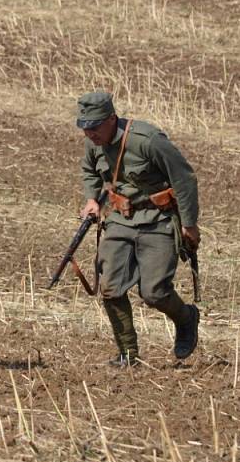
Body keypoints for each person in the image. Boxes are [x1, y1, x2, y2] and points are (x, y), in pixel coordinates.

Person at [77, 91, 200, 367]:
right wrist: (92, 200)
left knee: (154, 292)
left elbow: (185, 178)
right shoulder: (93, 142)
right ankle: (128, 354)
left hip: (158, 220)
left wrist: (190, 224)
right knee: (110, 287)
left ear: (111, 118)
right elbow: (90, 171)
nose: (90, 133)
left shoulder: (148, 141)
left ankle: (186, 318)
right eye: (85, 127)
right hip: (121, 219)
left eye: (95, 126)